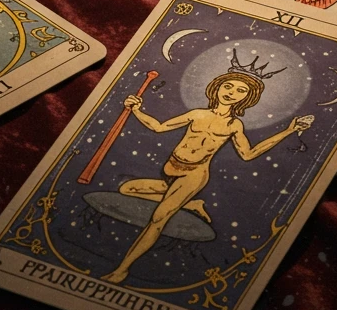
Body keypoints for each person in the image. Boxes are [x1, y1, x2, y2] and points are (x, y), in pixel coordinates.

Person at [103, 67, 314, 284]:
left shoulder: (234, 125)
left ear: (247, 98)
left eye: (241, 90)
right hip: (170, 170)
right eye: (228, 86)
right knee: (127, 189)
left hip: (194, 175)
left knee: (158, 218)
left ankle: (122, 269)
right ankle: (191, 205)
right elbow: (158, 127)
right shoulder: (197, 114)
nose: (232, 92)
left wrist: (288, 131)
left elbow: (249, 154)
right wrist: (137, 109)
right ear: (218, 87)